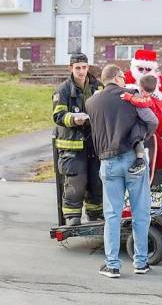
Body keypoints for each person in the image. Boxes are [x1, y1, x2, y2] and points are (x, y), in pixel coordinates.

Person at [85, 64, 158, 278]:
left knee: (112, 215)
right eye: (123, 77)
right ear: (117, 78)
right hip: (132, 158)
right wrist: (140, 137)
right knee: (140, 212)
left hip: (108, 162)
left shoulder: (91, 102)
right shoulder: (130, 95)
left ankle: (113, 265)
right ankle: (141, 263)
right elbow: (152, 120)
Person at [52, 53, 104, 227]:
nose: (81, 71)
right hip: (72, 144)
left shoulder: (98, 87)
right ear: (71, 68)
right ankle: (72, 215)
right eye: (77, 68)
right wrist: (74, 119)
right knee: (76, 180)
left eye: (84, 67)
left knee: (97, 179)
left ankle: (95, 212)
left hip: (94, 142)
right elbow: (58, 116)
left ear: (88, 67)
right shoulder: (63, 90)